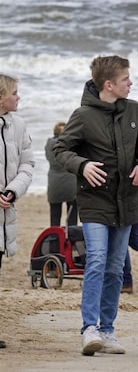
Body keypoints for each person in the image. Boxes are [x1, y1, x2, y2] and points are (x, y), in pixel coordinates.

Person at [52, 55, 138, 356]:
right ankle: (89, 329)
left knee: (115, 270)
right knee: (96, 261)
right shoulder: (83, 115)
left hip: (127, 202)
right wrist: (81, 165)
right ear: (109, 84)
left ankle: (107, 330)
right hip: (94, 201)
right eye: (125, 79)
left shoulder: (134, 110)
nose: (130, 83)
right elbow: (60, 149)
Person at [1, 74, 35, 350]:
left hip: (5, 212)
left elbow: (28, 164)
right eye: (14, 93)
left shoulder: (19, 125)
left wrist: (13, 190)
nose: (18, 97)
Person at [46, 122, 78, 226]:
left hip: (54, 183)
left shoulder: (49, 145)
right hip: (71, 182)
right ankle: (71, 240)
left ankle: (54, 239)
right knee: (72, 218)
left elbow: (48, 157)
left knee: (54, 216)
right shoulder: (71, 144)